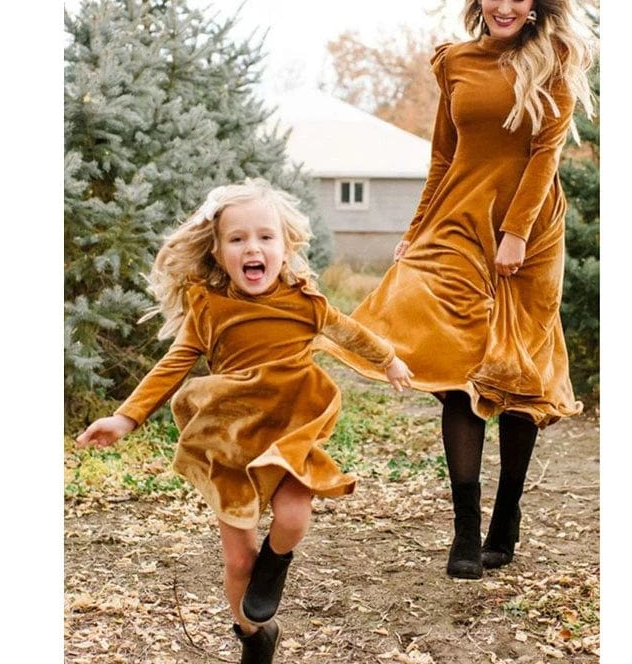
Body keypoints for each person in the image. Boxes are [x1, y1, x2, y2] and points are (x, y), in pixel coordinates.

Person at [315, 0, 594, 581]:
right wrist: (414, 231)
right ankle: (465, 530)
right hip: (456, 221)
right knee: (456, 371)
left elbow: (544, 155)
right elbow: (443, 156)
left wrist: (517, 233)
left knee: (518, 370)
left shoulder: (554, 61)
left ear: (534, 3)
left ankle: (507, 519)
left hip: (531, 230)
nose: (504, 6)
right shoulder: (456, 63)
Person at [76, 178, 413, 664]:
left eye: (265, 237)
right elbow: (173, 364)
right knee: (237, 561)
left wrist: (388, 360)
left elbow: (350, 331)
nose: (252, 247)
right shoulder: (209, 309)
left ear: (286, 245)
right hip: (232, 439)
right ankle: (254, 635)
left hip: (292, 429)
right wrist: (126, 417)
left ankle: (275, 565)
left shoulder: (305, 303)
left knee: (293, 519)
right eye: (237, 239)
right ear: (217, 252)